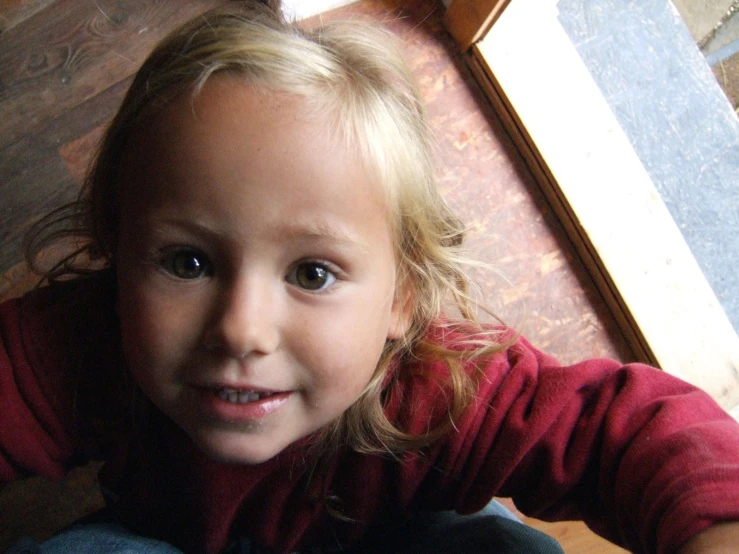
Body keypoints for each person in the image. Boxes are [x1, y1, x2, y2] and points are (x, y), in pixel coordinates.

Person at [1, 2, 738, 553]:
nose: (240, 328)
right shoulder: (89, 341)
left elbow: (626, 435)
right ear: (117, 248)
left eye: (312, 273)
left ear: (404, 296)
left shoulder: (447, 384)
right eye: (187, 262)